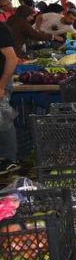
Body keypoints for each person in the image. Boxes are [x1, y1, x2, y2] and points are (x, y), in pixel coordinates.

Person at [0, 20, 18, 175]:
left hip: (1, 82)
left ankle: (9, 160)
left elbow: (12, 59)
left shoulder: (1, 29)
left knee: (3, 119)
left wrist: (1, 85)